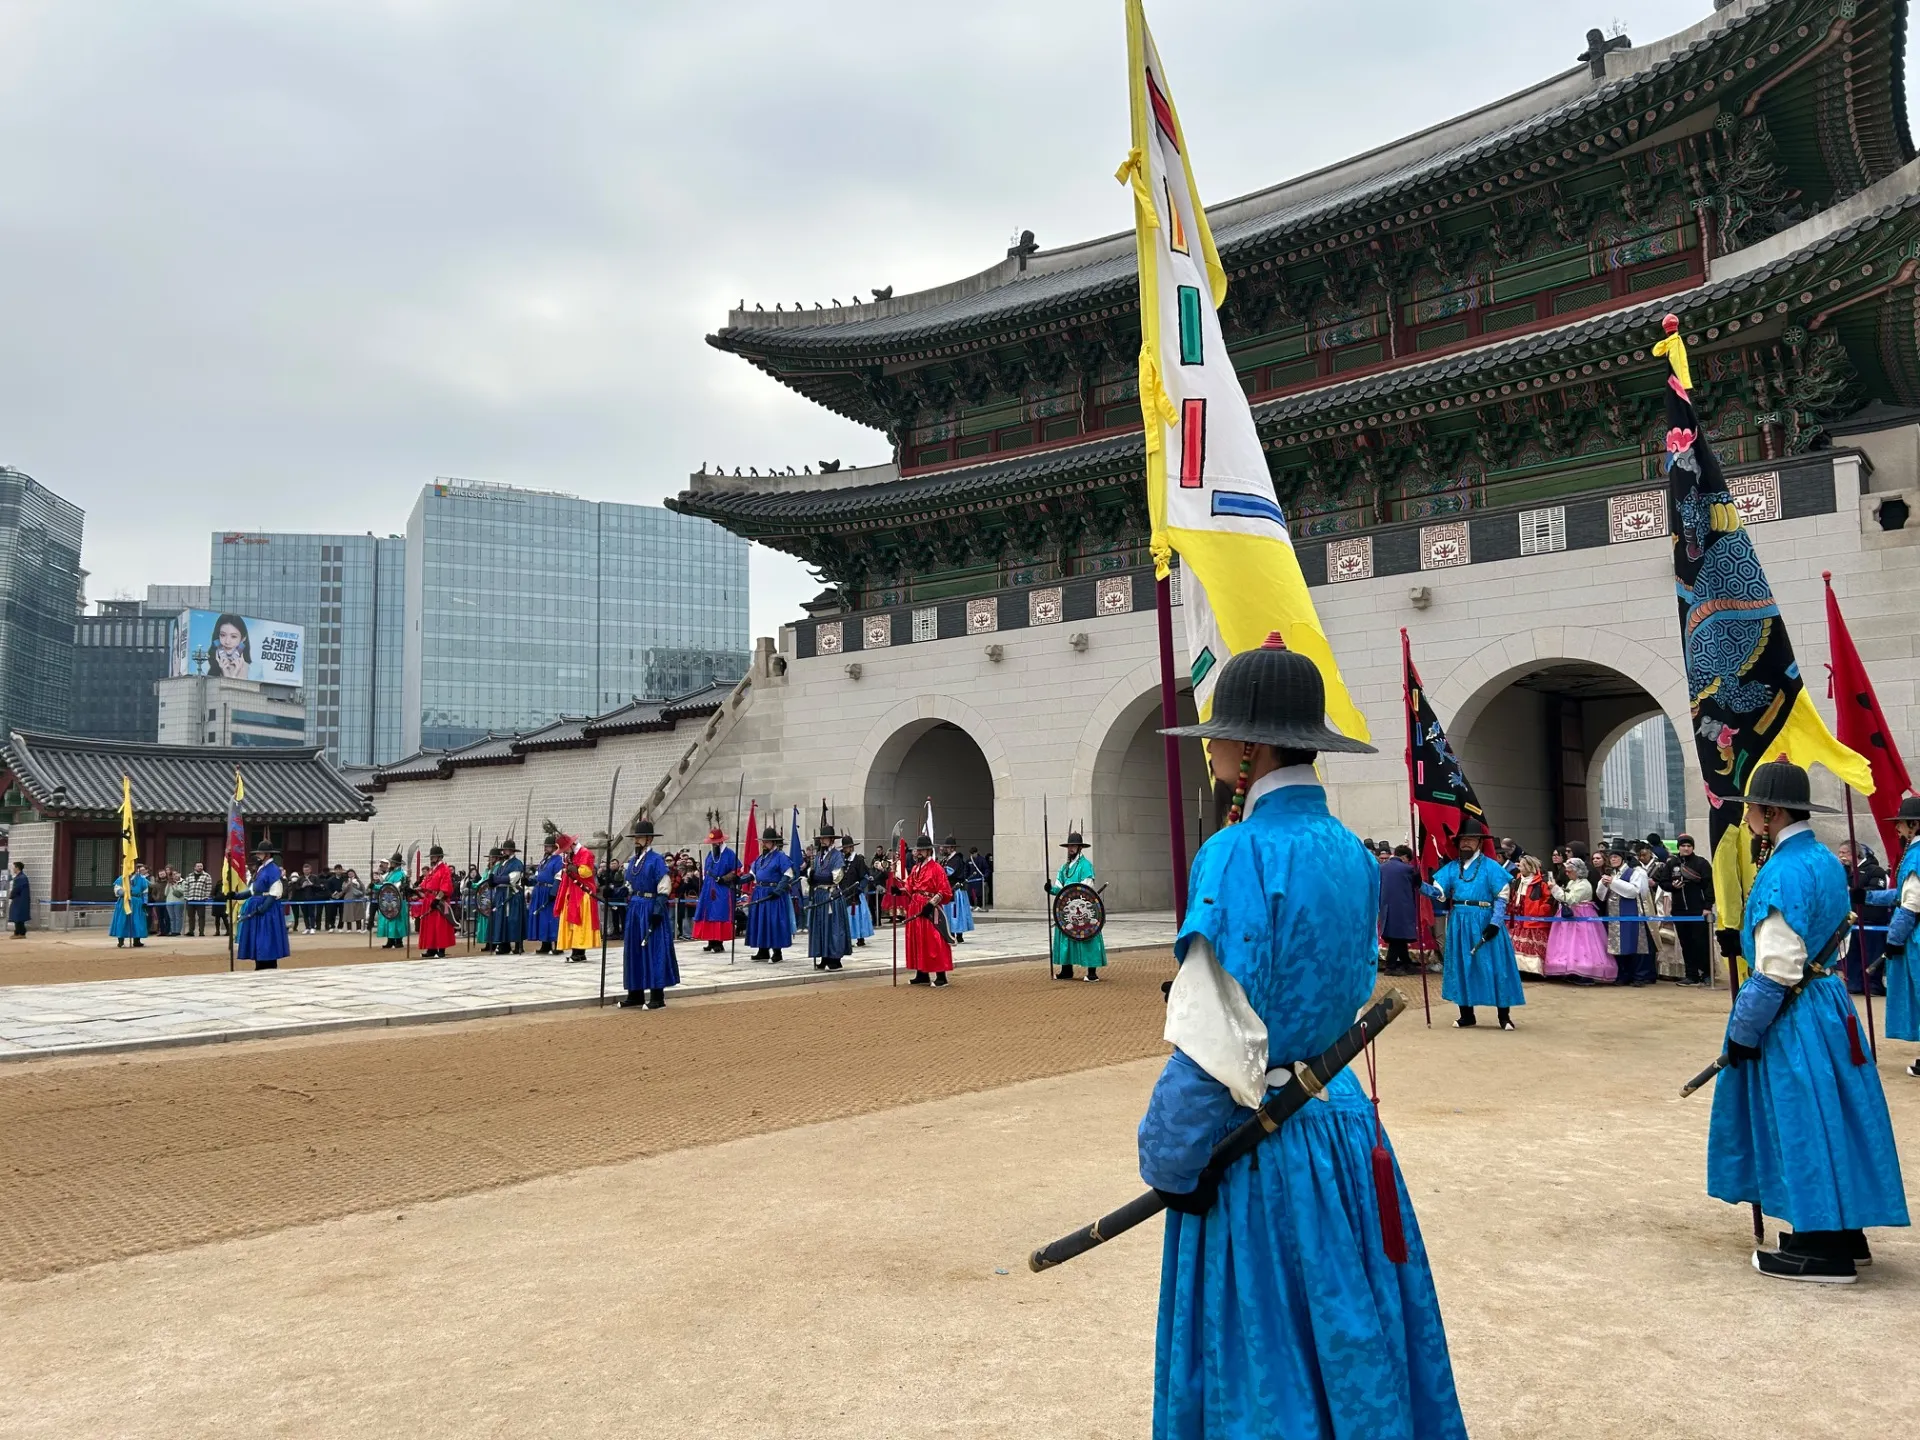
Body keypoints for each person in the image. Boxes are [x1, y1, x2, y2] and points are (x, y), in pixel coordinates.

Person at [1148, 634, 1466, 1437]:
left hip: (1257, 1141)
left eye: (1221, 737)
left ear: (1251, 749)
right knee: (1349, 1327)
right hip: (1338, 1124)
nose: (1214, 750)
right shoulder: (1351, 851)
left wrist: (1170, 1158)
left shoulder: (1236, 853)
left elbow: (1214, 1038)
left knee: (1264, 1358)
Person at [1707, 761, 1908, 1281]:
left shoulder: (1783, 870)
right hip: (1827, 1002)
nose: (1749, 817)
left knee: (1801, 1120)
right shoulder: (1822, 858)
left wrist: (1743, 1031)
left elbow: (1777, 967)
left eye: (1753, 809)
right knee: (1833, 1115)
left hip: (1793, 1013)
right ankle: (1842, 1233)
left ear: (1771, 812)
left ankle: (1821, 1249)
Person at [1423, 817, 1522, 1029]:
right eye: (1463, 840)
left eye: (1471, 839)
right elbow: (1439, 893)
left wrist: (1495, 923)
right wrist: (1419, 885)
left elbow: (1501, 897)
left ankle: (1504, 1016)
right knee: (1462, 965)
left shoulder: (1491, 867)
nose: (1466, 843)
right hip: (1459, 922)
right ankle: (1467, 1014)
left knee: (1496, 965)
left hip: (1485, 919)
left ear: (1480, 842)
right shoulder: (1452, 868)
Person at [1865, 794, 1920, 1078]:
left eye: (1901, 823)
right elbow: (1901, 895)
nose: (1897, 828)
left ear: (1914, 825)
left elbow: (1910, 906)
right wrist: (1866, 897)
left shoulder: (1916, 856)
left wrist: (1893, 941)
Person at [620, 819, 678, 1009]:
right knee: (634, 950)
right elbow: (629, 885)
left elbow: (664, 886)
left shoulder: (656, 860)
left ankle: (657, 997)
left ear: (649, 839)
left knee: (653, 949)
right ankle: (635, 993)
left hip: (650, 907)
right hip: (635, 909)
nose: (636, 840)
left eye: (640, 837)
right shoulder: (632, 861)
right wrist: (617, 891)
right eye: (635, 837)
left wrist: (658, 909)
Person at [1657, 834, 1714, 987]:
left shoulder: (1701, 863)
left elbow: (1709, 886)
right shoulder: (1672, 863)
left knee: (1701, 943)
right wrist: (1672, 886)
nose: (1686, 848)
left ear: (1693, 847)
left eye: (1689, 846)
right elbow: (1663, 882)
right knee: (1686, 944)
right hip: (1679, 910)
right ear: (1679, 847)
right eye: (1683, 846)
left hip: (1698, 910)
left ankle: (1707, 973)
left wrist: (1707, 907)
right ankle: (1691, 975)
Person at [1545, 857, 1615, 982]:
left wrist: (1555, 888)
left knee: (1583, 944)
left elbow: (1571, 899)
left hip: (1582, 916)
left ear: (1577, 871)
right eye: (1566, 871)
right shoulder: (1572, 883)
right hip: (1571, 916)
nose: (1567, 873)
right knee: (1569, 943)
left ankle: (1586, 972)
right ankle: (1571, 969)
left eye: (1569, 871)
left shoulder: (1584, 884)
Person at [1048, 832, 1106, 981]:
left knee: (1088, 937)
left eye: (1074, 846)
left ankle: (1092, 973)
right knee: (1065, 937)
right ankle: (1066, 970)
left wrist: (1074, 897)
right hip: (1067, 909)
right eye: (1069, 846)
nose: (1071, 849)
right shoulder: (1064, 868)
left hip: (1083, 907)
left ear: (1080, 847)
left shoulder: (1085, 866)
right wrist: (1050, 889)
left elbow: (1087, 887)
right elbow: (1058, 888)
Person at [898, 834, 953, 986]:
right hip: (915, 906)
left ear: (929, 851)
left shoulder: (937, 868)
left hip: (930, 908)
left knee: (934, 940)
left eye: (922, 850)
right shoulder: (916, 868)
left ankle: (941, 975)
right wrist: (899, 891)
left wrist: (931, 904)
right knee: (917, 939)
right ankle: (921, 973)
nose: (919, 853)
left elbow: (945, 891)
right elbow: (910, 886)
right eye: (918, 850)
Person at [1838, 839, 1890, 998]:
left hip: (1871, 920)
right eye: (1839, 853)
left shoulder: (1874, 870)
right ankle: (1854, 984)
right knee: (1853, 955)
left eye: (1844, 852)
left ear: (1856, 853)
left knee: (1872, 954)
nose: (1841, 856)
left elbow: (1876, 890)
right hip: (1851, 920)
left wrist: (1853, 891)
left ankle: (1873, 986)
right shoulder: (1843, 872)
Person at [801, 824, 851, 972]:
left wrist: (816, 876)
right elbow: (812, 875)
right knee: (820, 926)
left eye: (825, 838)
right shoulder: (818, 856)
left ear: (832, 840)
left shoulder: (837, 856)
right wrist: (811, 877)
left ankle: (834, 959)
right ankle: (823, 955)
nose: (822, 841)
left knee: (833, 927)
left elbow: (836, 877)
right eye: (821, 838)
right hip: (819, 896)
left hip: (831, 895)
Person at [1604, 844, 1655, 985]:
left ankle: (1639, 976)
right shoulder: (1612, 874)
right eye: (1611, 857)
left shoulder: (1635, 872)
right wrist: (1604, 884)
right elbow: (1601, 895)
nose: (1613, 859)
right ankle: (1623, 974)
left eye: (1616, 857)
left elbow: (1634, 891)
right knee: (1618, 945)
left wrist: (1614, 882)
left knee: (1635, 943)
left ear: (1623, 858)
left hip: (1632, 911)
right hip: (1615, 914)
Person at [236, 843, 290, 970]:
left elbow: (275, 892)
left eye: (260, 853)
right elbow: (253, 890)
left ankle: (269, 965)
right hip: (257, 904)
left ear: (268, 854)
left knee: (266, 938)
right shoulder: (261, 869)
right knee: (257, 937)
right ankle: (259, 964)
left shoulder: (273, 870)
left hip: (268, 909)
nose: (258, 855)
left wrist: (263, 908)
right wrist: (236, 895)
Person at [746, 823, 793, 963]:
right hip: (759, 892)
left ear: (773, 842)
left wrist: (778, 890)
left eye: (767, 841)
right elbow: (752, 875)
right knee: (761, 921)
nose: (764, 844)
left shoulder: (780, 857)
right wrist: (737, 880)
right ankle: (763, 950)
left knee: (773, 922)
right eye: (763, 841)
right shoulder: (760, 859)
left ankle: (777, 952)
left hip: (773, 894)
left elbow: (788, 874)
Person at [553, 833, 601, 963]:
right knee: (572, 922)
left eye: (565, 849)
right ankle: (576, 950)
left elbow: (587, 872)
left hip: (582, 892)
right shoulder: (570, 855)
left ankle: (579, 951)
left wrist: (573, 867)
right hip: (572, 891)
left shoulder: (585, 853)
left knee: (580, 921)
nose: (564, 852)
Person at [1378, 844, 1421, 975]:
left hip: (1385, 907)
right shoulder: (1408, 869)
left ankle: (1407, 963)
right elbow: (1418, 884)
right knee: (1397, 937)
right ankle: (1390, 967)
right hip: (1402, 907)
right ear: (1404, 857)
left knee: (1398, 936)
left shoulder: (1381, 868)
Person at [1508, 855, 1554, 975]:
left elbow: (1548, 899)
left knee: (1533, 944)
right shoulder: (1517, 880)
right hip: (1518, 917)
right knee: (1516, 944)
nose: (1519, 867)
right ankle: (1519, 969)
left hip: (1534, 918)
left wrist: (1541, 911)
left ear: (1529, 867)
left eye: (1522, 865)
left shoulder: (1541, 882)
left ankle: (1533, 971)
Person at [415, 845, 458, 958]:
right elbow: (424, 884)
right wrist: (414, 889)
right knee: (430, 926)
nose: (431, 858)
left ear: (439, 857)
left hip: (439, 901)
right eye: (431, 856)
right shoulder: (432, 870)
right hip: (429, 899)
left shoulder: (444, 869)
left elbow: (445, 887)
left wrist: (437, 899)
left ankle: (441, 949)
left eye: (433, 856)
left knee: (440, 926)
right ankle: (431, 948)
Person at [486, 838, 526, 955]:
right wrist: (492, 881)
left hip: (511, 894)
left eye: (506, 850)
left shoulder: (517, 863)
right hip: (501, 893)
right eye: (503, 850)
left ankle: (518, 945)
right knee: (502, 919)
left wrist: (495, 879)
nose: (504, 852)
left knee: (514, 919)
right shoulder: (502, 864)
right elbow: (496, 876)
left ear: (512, 851)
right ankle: (504, 945)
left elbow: (512, 878)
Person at [528, 836, 563, 955]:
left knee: (552, 918)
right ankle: (545, 944)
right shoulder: (544, 860)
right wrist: (529, 880)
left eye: (547, 846)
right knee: (542, 919)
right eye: (545, 846)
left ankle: (558, 945)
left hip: (549, 891)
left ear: (554, 847)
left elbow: (559, 877)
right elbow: (538, 875)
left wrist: (554, 892)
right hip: (540, 891)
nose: (545, 848)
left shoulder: (558, 860)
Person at [839, 833, 873, 948]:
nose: (845, 850)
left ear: (851, 847)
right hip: (844, 892)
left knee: (857, 916)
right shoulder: (841, 861)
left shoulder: (858, 860)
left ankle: (860, 937)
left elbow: (865, 877)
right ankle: (846, 938)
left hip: (855, 893)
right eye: (844, 848)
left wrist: (860, 887)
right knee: (846, 917)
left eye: (847, 847)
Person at [939, 838, 975, 944]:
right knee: (949, 913)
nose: (945, 849)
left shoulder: (956, 859)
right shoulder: (947, 859)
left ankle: (958, 935)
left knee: (956, 913)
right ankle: (951, 933)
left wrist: (939, 870)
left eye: (947, 847)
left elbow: (949, 872)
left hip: (956, 890)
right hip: (949, 889)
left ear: (952, 848)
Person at [110, 863, 150, 948]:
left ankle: (137, 940)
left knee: (137, 921)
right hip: (124, 901)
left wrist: (145, 902)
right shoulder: (121, 878)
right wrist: (124, 892)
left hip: (137, 902)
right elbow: (117, 890)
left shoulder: (142, 879)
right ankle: (121, 941)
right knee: (122, 920)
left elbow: (145, 891)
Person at [203, 613, 251, 679]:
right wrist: (225, 671)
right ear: (218, 637)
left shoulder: (255, 670)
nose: (227, 642)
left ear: (243, 639)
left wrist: (235, 673)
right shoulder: (205, 666)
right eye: (223, 635)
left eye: (233, 636)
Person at [181, 861, 212, 936]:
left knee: (201, 916)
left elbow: (208, 887)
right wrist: (186, 897)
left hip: (201, 899)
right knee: (191, 917)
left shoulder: (207, 876)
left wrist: (206, 897)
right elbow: (186, 887)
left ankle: (201, 932)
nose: (200, 867)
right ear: (195, 867)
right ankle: (191, 931)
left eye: (201, 866)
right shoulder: (189, 876)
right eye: (198, 866)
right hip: (190, 899)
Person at [8, 861, 29, 937]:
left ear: (17, 868)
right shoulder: (22, 877)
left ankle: (20, 932)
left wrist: (11, 895)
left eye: (14, 867)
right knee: (18, 916)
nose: (13, 869)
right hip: (21, 899)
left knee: (17, 916)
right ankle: (19, 932)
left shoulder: (20, 878)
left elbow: (16, 889)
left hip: (19, 899)